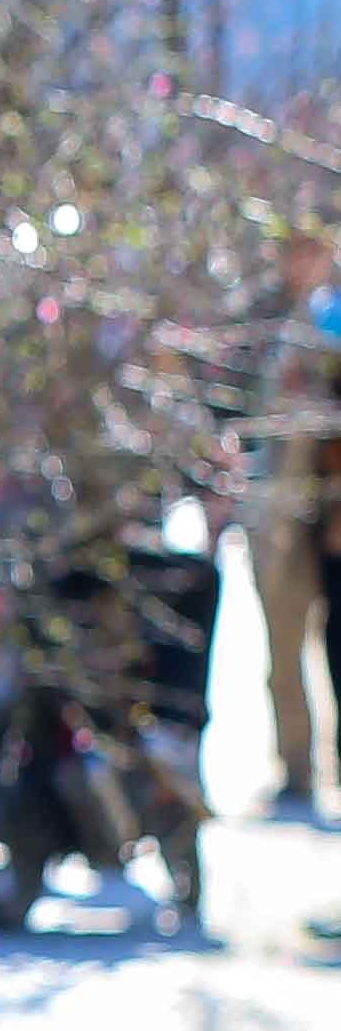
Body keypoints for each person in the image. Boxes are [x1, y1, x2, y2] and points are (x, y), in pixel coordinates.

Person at [240, 228, 339, 818]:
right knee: (281, 651)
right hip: (277, 517)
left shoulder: (327, 322)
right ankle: (295, 766)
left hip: (324, 519)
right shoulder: (264, 320)